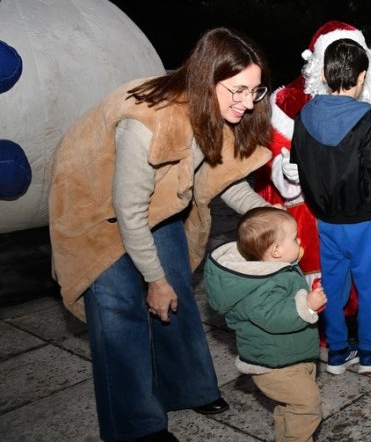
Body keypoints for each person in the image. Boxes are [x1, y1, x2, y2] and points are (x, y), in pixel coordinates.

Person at [48, 27, 275, 441]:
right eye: (239, 91)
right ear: (209, 78)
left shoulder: (212, 107)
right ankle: (136, 426)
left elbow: (223, 179)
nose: (248, 103)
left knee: (177, 292)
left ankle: (185, 387)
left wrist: (272, 214)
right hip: (96, 208)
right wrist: (153, 280)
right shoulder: (147, 123)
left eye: (255, 92)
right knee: (120, 313)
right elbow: (129, 211)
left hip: (156, 200)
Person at [256, 21, 371, 328]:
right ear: (320, 67)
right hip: (317, 187)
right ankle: (338, 308)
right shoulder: (292, 101)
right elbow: (279, 153)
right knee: (324, 216)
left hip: (367, 179)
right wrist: (286, 171)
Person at [292, 37, 371, 376]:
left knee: (333, 284)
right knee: (368, 285)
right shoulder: (367, 120)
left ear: (325, 74)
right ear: (361, 76)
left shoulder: (304, 115)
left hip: (326, 219)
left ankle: (337, 351)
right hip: (364, 220)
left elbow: (301, 164)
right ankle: (369, 351)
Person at [205, 207, 326, 442]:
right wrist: (307, 306)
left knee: (292, 407)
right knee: (307, 405)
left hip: (288, 355)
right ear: (277, 250)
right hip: (276, 364)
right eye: (294, 238)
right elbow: (274, 316)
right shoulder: (262, 284)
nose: (299, 240)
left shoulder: (273, 268)